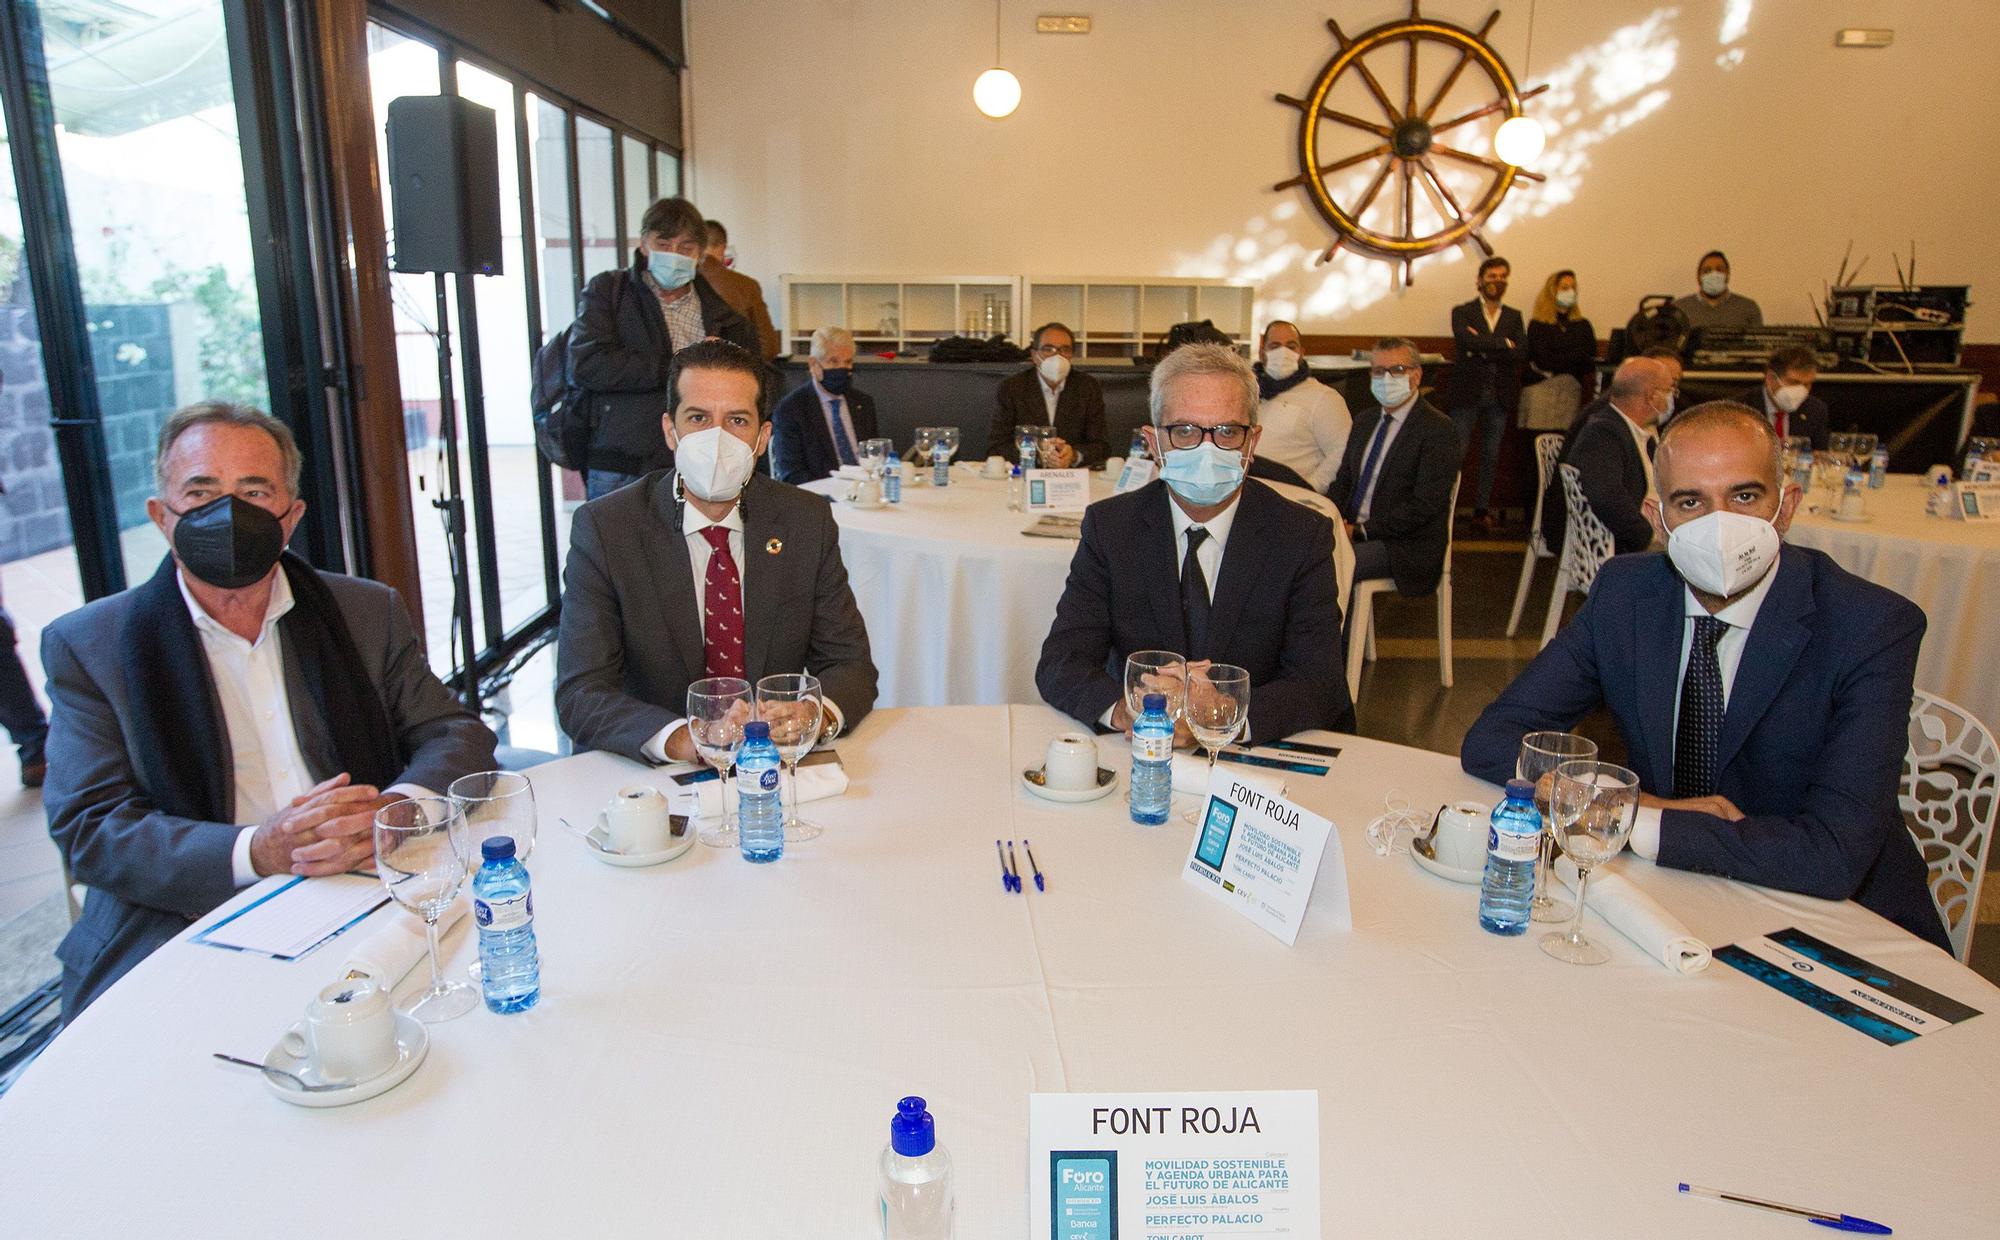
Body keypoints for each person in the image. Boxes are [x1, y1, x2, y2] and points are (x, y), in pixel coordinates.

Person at [41, 403, 497, 1017]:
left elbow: (453, 731)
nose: (226, 515)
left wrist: (393, 811)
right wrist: (258, 850)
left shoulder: (362, 611)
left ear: (291, 516)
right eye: (200, 492)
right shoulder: (91, 644)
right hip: (190, 917)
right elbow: (89, 828)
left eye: (254, 491)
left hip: (368, 895)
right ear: (160, 515)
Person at [1461, 401, 1947, 951]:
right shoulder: (1627, 594)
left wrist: (1643, 827)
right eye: (1690, 501)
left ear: (1784, 508)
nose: (1721, 524)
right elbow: (1494, 741)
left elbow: (1832, 856)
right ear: (1657, 518)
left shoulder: (1870, 626)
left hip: (1839, 925)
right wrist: (1633, 808)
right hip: (1678, 901)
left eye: (1743, 496)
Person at [557, 339, 876, 765]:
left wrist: (811, 715)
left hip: (770, 767)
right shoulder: (608, 528)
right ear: (671, 431)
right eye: (699, 418)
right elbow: (582, 692)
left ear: (762, 438)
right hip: (650, 778)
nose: (718, 438)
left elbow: (850, 665)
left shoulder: (805, 521)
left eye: (737, 420)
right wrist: (682, 739)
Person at [1036, 343, 1353, 743]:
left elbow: (1320, 682)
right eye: (1184, 431)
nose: (1206, 448)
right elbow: (1062, 662)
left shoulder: (1300, 535)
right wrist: (1130, 711)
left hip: (1257, 762)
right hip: (1143, 749)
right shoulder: (1112, 528)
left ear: (1251, 443)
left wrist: (1221, 714)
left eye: (1226, 432)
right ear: (1154, 443)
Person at [567, 196, 761, 500]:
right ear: (644, 245)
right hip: (621, 462)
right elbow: (587, 364)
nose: (674, 254)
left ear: (699, 254)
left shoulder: (722, 312)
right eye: (664, 243)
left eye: (685, 248)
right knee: (616, 544)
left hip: (698, 463)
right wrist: (679, 367)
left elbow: (757, 376)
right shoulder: (609, 292)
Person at [1326, 338, 1461, 600]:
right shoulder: (1365, 420)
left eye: (1397, 370)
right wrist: (1330, 519)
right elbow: (1344, 481)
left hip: (1405, 545)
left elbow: (1424, 505)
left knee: (1330, 566)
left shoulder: (1438, 430)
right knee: (1299, 556)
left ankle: (1339, 642)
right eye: (1378, 371)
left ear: (1417, 375)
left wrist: (1361, 531)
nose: (1386, 378)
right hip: (1351, 530)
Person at [1542, 357, 1670, 557]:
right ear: (1652, 396)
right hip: (1616, 545)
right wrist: (1649, 537)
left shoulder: (1628, 428)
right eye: (1670, 391)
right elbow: (1606, 496)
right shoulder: (1603, 433)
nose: (1672, 398)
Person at [1445, 256, 1525, 531]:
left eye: (1503, 276)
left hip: (1499, 395)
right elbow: (1464, 341)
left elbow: (1520, 352)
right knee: (1457, 453)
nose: (1497, 282)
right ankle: (1446, 508)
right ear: (1480, 280)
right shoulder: (1463, 311)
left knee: (1491, 455)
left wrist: (1482, 346)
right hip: (1467, 393)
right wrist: (1503, 343)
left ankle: (1481, 511)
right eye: (1492, 276)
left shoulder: (1514, 316)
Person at [985, 322, 1108, 468]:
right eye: (1048, 349)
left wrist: (1074, 455)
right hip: (1028, 475)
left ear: (1071, 356)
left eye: (1065, 350)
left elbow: (1102, 446)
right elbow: (996, 448)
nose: (1057, 356)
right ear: (1034, 355)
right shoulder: (1012, 387)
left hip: (1071, 479)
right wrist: (1039, 455)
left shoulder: (1087, 387)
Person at [769, 326, 879, 485]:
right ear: (813, 365)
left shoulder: (863, 403)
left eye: (847, 362)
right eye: (833, 361)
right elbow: (791, 475)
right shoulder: (791, 409)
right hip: (822, 495)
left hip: (866, 490)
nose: (842, 368)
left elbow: (874, 455)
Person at [1253, 319, 1350, 492]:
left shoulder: (1324, 398)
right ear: (1262, 353)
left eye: (1291, 347)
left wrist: (1310, 489)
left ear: (1301, 353)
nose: (1283, 353)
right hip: (1250, 494)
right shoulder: (1249, 391)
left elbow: (1341, 453)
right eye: (1275, 346)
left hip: (1294, 500)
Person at [700, 219, 782, 360]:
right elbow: (768, 347)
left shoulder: (678, 286)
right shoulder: (746, 285)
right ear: (722, 247)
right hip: (736, 374)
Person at [1738, 344, 1829, 450]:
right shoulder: (1740, 409)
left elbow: (1820, 454)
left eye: (1807, 384)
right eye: (1794, 382)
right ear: (1771, 379)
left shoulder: (1815, 410)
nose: (1802, 390)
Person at [1672, 250, 1763, 332]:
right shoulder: (1679, 308)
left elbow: (1759, 346)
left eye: (1719, 270)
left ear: (1728, 275)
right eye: (1707, 271)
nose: (1714, 274)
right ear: (1698, 276)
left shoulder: (1748, 308)